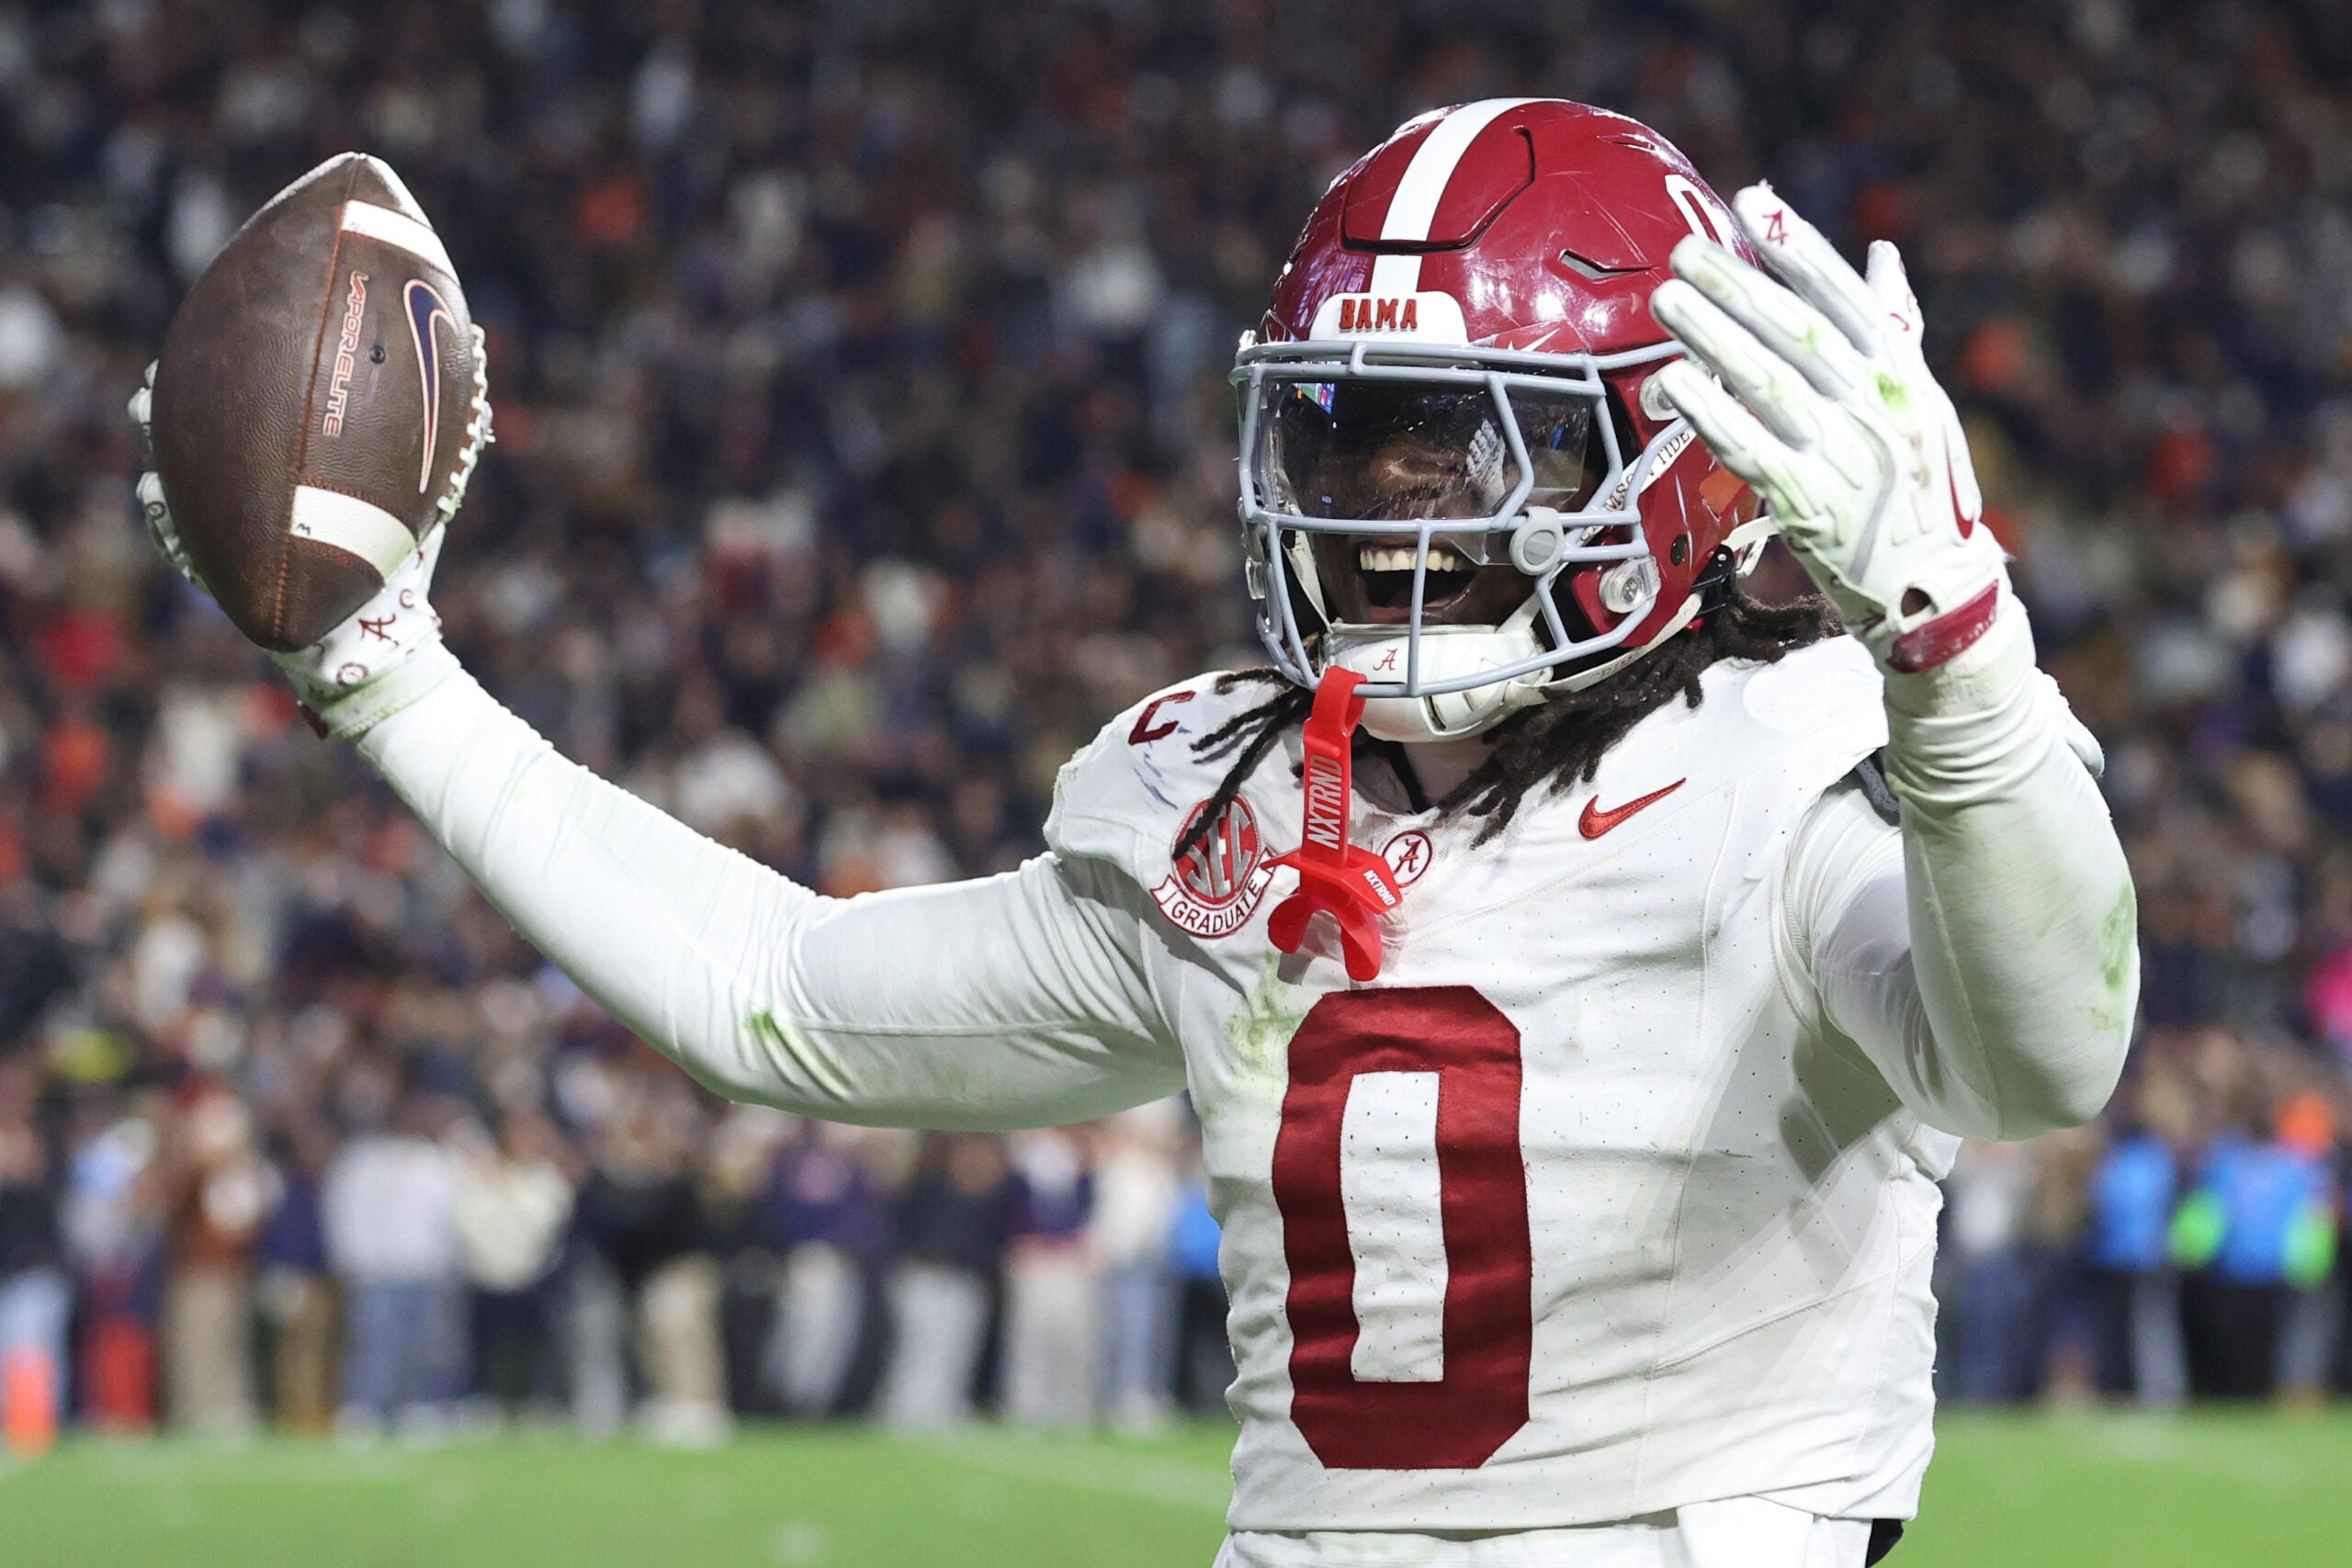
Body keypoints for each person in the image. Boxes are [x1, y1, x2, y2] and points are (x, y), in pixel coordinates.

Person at [136, 99, 2136, 1568]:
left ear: (1674, 465)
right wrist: (384, 676)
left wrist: (1957, 657)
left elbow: (2045, 1052)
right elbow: (779, 999)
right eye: (1348, 430)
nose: (1383, 504)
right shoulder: (1232, 801)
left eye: (1464, 441)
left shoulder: (1804, 745)